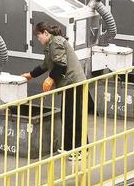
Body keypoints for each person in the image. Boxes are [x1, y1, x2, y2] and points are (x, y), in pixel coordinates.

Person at [21, 22, 89, 156]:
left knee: (74, 116)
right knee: (67, 115)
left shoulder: (56, 42)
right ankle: (69, 147)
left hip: (73, 83)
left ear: (46, 33)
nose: (38, 39)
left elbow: (61, 65)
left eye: (39, 35)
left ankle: (80, 149)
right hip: (68, 84)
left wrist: (50, 79)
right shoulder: (49, 45)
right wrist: (31, 75)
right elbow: (45, 65)